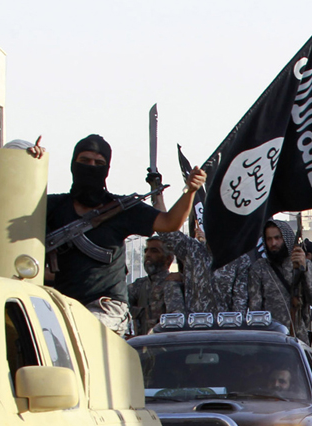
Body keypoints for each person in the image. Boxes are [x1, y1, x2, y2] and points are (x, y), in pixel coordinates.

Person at [45, 134, 206, 333]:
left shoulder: (120, 209)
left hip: (106, 307)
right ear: (73, 164)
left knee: (85, 334)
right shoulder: (53, 207)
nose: (91, 167)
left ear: (106, 170)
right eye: (84, 161)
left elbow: (170, 222)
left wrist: (190, 191)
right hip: (62, 304)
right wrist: (29, 160)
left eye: (98, 163)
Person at [248, 220, 312, 338]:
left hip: (298, 337)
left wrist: (305, 270)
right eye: (269, 239)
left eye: (277, 238)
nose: (273, 243)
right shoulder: (260, 268)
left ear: (286, 238)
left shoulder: (304, 265)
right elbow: (255, 309)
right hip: (270, 338)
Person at [128, 237, 185, 335]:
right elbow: (122, 303)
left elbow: (175, 319)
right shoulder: (139, 285)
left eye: (154, 251)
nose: (148, 255)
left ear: (168, 259)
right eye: (146, 251)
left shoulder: (172, 284)